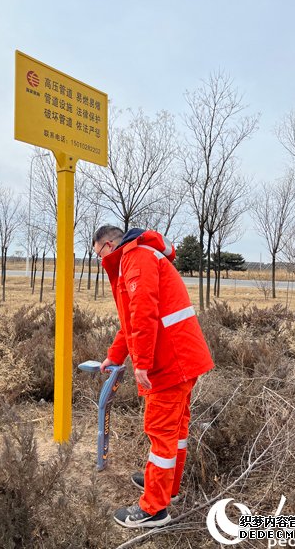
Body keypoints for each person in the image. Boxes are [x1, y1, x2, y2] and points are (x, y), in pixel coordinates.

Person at [92, 225, 214, 529]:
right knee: (176, 430)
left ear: (109, 245)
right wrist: (115, 355)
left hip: (169, 362)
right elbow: (130, 320)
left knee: (160, 433)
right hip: (181, 358)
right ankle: (167, 488)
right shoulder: (141, 257)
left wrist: (142, 363)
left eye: (99, 254)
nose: (100, 260)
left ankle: (154, 509)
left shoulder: (136, 258)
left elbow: (144, 312)